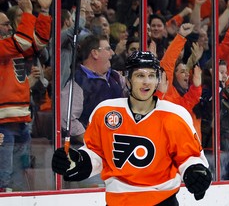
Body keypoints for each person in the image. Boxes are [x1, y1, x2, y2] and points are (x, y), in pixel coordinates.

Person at [52, 51, 212, 205]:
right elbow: (97, 153)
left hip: (162, 201)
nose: (146, 81)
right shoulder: (105, 112)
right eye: (140, 75)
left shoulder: (174, 115)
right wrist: (79, 161)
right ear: (128, 80)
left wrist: (194, 171)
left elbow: (189, 156)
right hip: (118, 202)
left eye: (151, 76)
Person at [0, 0, 52, 191]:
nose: (8, 26)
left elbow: (38, 43)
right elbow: (21, 42)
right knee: (3, 178)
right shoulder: (7, 45)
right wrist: (28, 12)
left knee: (19, 176)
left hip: (21, 120)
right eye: (5, 23)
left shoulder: (10, 45)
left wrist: (45, 11)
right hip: (3, 123)